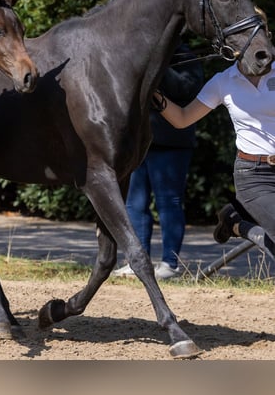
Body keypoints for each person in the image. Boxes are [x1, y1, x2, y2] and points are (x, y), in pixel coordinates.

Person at [153, 44, 275, 264]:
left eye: (262, 32)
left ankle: (237, 223)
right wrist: (153, 92)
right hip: (255, 176)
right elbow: (182, 118)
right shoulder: (224, 81)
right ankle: (240, 224)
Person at [113, 43, 204, 279]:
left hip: (172, 143)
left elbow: (186, 89)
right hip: (137, 143)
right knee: (134, 204)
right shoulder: (135, 53)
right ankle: (137, 262)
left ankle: (170, 264)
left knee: (169, 202)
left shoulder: (185, 55)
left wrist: (158, 64)